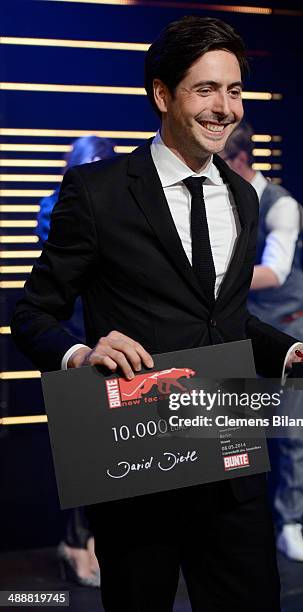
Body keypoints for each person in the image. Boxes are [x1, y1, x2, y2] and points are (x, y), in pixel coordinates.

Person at [11, 16, 303, 611]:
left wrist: (293, 353)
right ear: (161, 94)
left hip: (231, 459)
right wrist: (80, 352)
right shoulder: (96, 193)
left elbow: (225, 320)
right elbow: (32, 314)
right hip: (137, 457)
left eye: (233, 90)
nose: (225, 108)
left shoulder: (245, 197)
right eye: (206, 90)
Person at [223, 123, 303, 562]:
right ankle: (238, 523)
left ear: (240, 159)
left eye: (221, 160)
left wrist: (212, 282)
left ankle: (291, 523)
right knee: (237, 430)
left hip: (290, 327)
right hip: (241, 327)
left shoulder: (281, 206)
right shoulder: (218, 200)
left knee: (293, 428)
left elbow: (275, 272)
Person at [36, 136, 116, 587]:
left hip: (108, 338)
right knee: (79, 448)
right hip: (71, 342)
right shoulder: (56, 207)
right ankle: (77, 540)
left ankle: (89, 539)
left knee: (110, 445)